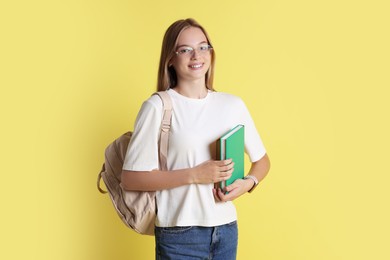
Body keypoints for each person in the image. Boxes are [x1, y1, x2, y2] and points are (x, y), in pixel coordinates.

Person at [121, 18, 270, 260]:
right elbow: (130, 178)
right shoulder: (158, 106)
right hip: (179, 233)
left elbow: (262, 161)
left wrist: (248, 183)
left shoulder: (232, 105)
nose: (196, 55)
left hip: (226, 229)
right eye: (185, 50)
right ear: (171, 58)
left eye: (203, 47)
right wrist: (195, 174)